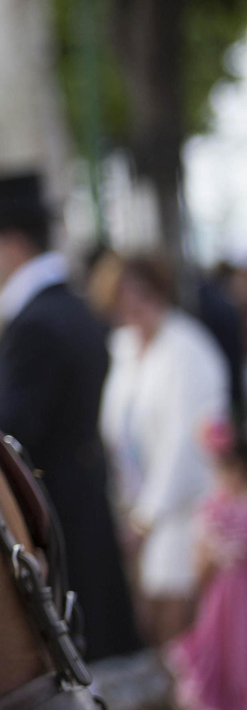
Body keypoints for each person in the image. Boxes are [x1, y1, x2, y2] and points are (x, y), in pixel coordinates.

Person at [0, 172, 144, 665]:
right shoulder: (63, 308)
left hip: (56, 524)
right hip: (81, 510)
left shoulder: (37, 322)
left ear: (11, 244)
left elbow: (10, 431)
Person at [100, 253, 230, 644]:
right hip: (137, 512)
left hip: (185, 513)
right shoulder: (124, 349)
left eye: (141, 295)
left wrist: (146, 519)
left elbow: (185, 447)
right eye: (123, 299)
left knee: (180, 631)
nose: (133, 307)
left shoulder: (187, 349)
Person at [166, 420, 247, 710]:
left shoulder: (215, 508)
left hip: (223, 615)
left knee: (222, 696)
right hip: (235, 616)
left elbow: (198, 569)